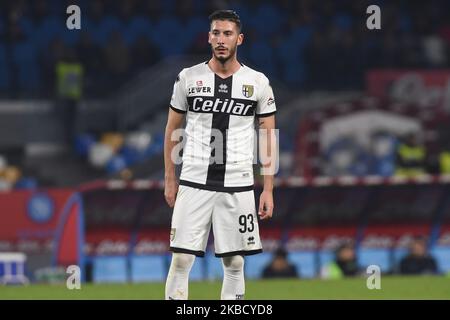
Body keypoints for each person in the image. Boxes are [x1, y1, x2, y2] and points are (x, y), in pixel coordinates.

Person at [164, 10, 277, 300]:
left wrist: (267, 189)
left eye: (227, 34)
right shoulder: (188, 77)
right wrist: (169, 177)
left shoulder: (258, 82)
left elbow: (268, 138)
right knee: (181, 259)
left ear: (239, 39)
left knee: (235, 261)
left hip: (238, 183)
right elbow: (172, 130)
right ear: (209, 37)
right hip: (193, 179)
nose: (221, 39)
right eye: (216, 33)